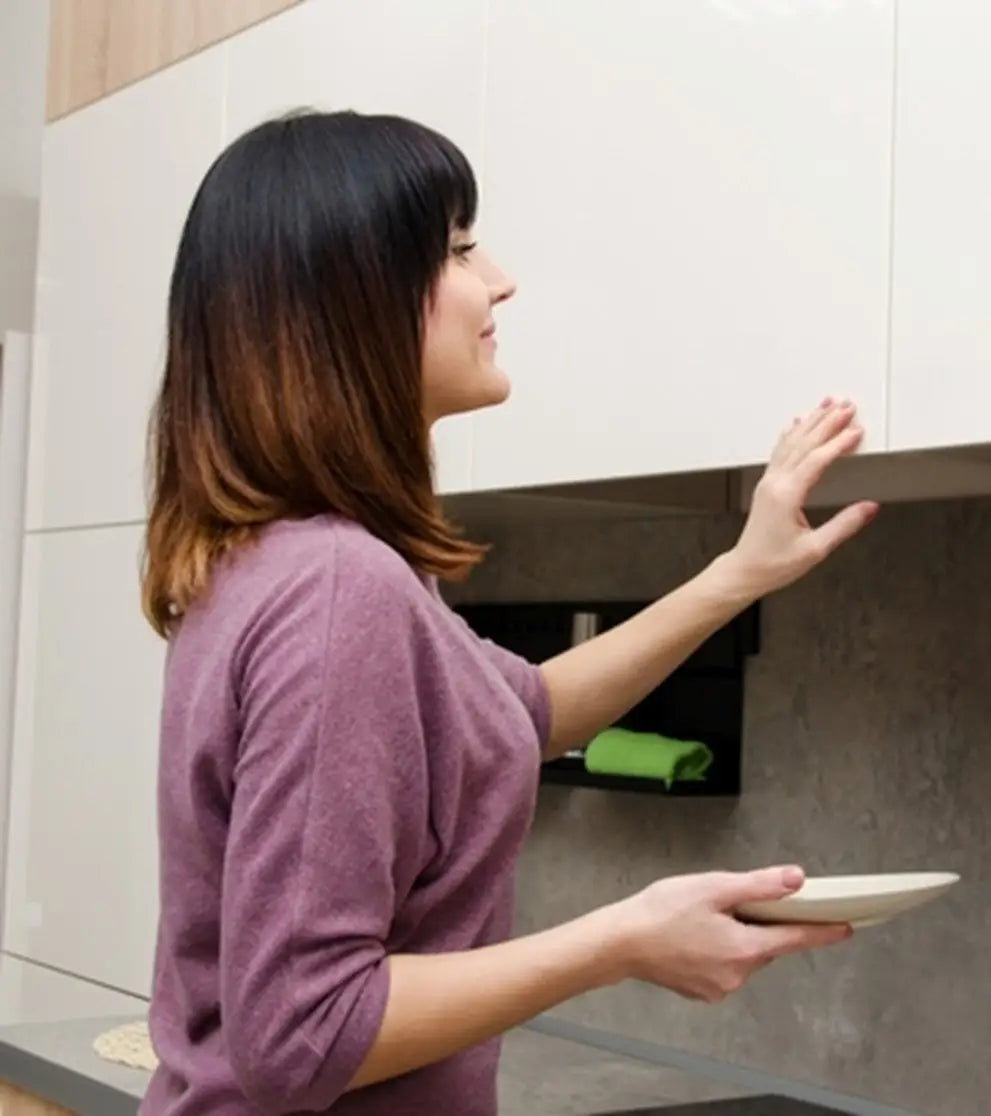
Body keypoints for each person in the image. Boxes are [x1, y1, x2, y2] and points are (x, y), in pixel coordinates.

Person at [137, 108, 879, 1116]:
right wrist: (622, 941)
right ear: (350, 303)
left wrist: (737, 574)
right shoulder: (334, 592)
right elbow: (303, 1033)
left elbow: (520, 715)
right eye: (457, 249)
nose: (500, 280)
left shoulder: (294, 564)